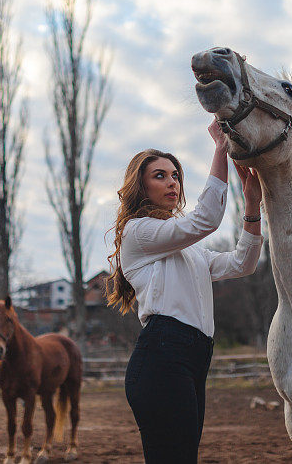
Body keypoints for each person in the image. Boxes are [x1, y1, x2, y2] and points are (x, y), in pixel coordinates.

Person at [105, 120, 264, 463]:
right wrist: (221, 148)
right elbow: (206, 219)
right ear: (140, 186)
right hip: (163, 357)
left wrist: (252, 207)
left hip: (194, 358)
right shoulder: (138, 232)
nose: (172, 181)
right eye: (159, 175)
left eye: (175, 175)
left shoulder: (188, 250)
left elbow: (242, 263)